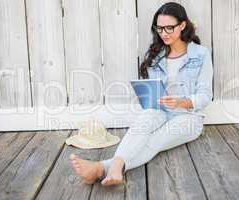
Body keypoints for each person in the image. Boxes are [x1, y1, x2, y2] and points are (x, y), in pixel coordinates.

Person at [70, 2, 213, 186]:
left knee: (156, 140)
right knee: (142, 124)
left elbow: (205, 95)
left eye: (169, 27)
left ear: (183, 25)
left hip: (188, 117)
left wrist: (180, 102)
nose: (164, 33)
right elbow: (154, 90)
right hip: (160, 110)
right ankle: (114, 166)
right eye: (159, 28)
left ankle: (102, 168)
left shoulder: (201, 54)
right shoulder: (157, 54)